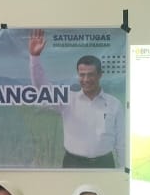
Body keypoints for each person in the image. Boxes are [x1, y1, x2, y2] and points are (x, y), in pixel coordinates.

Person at [28, 30, 124, 168]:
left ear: (100, 75)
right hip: (73, 163)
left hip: (105, 164)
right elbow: (41, 88)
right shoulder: (67, 100)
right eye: (82, 75)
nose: (86, 79)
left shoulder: (114, 104)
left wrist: (123, 172)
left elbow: (121, 142)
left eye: (90, 74)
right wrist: (34, 57)